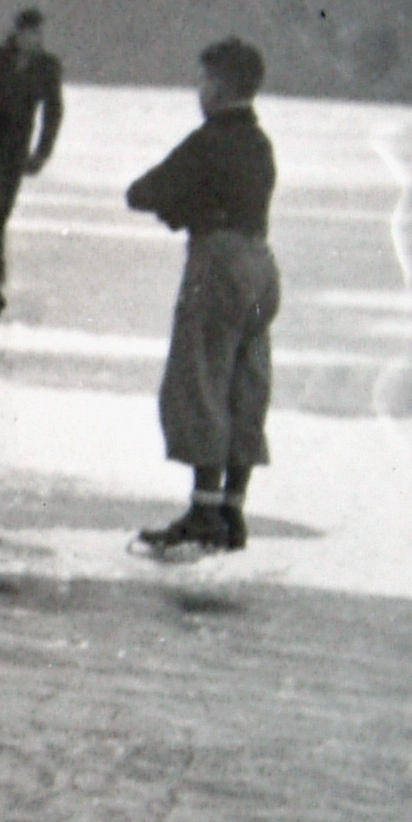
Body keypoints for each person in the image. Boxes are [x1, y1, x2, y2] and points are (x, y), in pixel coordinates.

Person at [127, 38, 278, 558]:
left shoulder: (209, 140)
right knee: (245, 384)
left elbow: (143, 191)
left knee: (201, 381)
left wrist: (180, 210)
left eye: (202, 79)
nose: (198, 90)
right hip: (261, 264)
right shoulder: (259, 142)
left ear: (219, 85)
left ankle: (204, 512)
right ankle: (232, 510)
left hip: (218, 262)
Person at [0, 8, 65, 318]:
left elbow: (53, 113)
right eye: (30, 32)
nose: (35, 39)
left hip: (14, 153)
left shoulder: (47, 67)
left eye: (38, 33)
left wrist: (41, 153)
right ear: (18, 32)